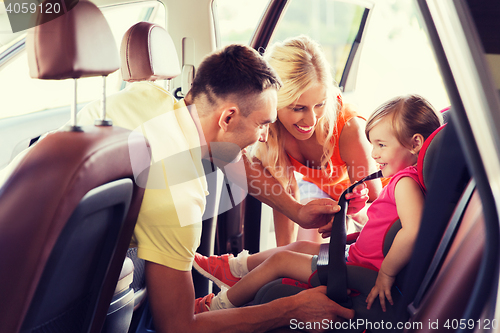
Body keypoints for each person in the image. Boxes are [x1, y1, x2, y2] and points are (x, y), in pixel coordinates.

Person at [67, 45, 355, 332]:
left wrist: (297, 210)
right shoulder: (178, 199)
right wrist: (291, 309)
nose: (266, 137)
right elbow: (179, 327)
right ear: (227, 118)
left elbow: (233, 159)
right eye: (262, 124)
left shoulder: (150, 98)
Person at [194, 94, 442, 313]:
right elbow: (384, 230)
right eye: (373, 144)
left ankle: (217, 306)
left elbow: (413, 231)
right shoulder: (411, 182)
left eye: (381, 145)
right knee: (301, 244)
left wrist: (386, 273)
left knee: (281, 262)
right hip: (354, 257)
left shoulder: (405, 183)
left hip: (358, 270)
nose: (374, 153)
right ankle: (235, 268)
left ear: (416, 144)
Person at [250, 35, 384, 246]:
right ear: (274, 101)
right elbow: (285, 198)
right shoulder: (273, 131)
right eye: (298, 108)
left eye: (320, 104)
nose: (312, 120)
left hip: (373, 201)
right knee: (302, 252)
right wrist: (284, 253)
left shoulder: (349, 128)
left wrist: (346, 213)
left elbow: (375, 198)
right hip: (326, 194)